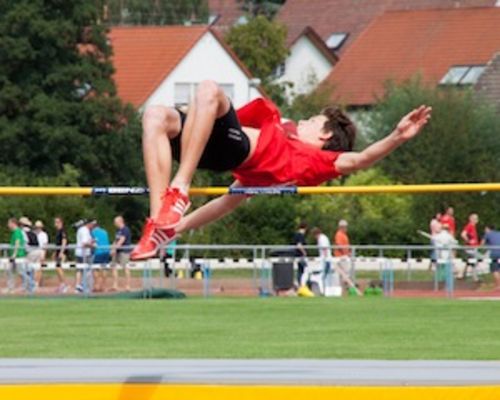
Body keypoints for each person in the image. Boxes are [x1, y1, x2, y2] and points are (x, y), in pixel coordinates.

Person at [130, 81, 432, 260]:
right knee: (154, 115)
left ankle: (180, 187)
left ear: (324, 136)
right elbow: (224, 203)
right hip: (202, 142)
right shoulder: (284, 128)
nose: (305, 120)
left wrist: (397, 136)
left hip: (232, 147)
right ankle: (158, 224)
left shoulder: (314, 161)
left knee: (209, 88)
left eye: (313, 120)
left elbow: (361, 159)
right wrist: (176, 229)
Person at [19, 217, 43, 291]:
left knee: (23, 269)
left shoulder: (23, 232)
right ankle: (29, 286)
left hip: (31, 252)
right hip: (38, 251)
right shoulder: (33, 232)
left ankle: (30, 284)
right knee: (31, 269)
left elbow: (25, 242)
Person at [110, 216, 132, 291]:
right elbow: (116, 240)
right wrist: (112, 248)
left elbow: (122, 240)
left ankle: (128, 286)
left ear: (120, 221)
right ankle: (115, 285)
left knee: (125, 267)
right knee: (113, 267)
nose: (114, 224)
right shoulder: (118, 231)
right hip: (117, 251)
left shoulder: (125, 229)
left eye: (115, 222)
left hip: (124, 251)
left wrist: (115, 249)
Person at [74, 219, 95, 293]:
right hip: (84, 253)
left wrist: (92, 241)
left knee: (79, 270)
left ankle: (78, 286)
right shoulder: (85, 230)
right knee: (87, 269)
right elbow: (84, 243)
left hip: (79, 252)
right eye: (92, 224)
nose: (93, 226)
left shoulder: (81, 229)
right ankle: (84, 286)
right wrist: (92, 245)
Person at [6, 218, 27, 292]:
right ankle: (10, 287)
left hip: (19, 256)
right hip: (14, 256)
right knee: (9, 270)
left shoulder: (17, 232)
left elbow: (17, 243)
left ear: (13, 223)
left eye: (9, 223)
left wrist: (14, 254)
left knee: (21, 272)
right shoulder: (14, 232)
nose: (8, 225)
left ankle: (25, 287)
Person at [91, 221, 111, 292]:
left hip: (98, 252)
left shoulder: (93, 232)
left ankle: (96, 285)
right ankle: (104, 286)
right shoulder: (105, 232)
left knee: (95, 269)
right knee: (104, 269)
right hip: (106, 252)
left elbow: (93, 242)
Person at [460, 213, 480, 281]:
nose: (476, 220)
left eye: (476, 219)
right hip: (470, 248)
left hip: (473, 247)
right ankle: (475, 278)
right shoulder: (469, 226)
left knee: (469, 262)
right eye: (475, 219)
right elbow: (463, 234)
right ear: (471, 219)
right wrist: (468, 241)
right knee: (474, 261)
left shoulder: (473, 227)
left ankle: (462, 275)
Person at [53, 217, 69, 293]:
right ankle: (61, 284)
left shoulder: (63, 231)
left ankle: (65, 284)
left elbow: (64, 241)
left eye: (57, 222)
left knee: (59, 268)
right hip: (58, 252)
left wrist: (61, 252)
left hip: (61, 253)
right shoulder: (58, 231)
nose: (55, 224)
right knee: (58, 268)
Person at [482, 225, 500, 290]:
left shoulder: (487, 234)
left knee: (495, 269)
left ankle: (498, 285)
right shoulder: (498, 233)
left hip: (495, 254)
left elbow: (482, 244)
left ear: (487, 229)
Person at [292, 222, 308, 286]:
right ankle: (301, 284)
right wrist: (304, 252)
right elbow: (299, 245)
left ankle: (299, 284)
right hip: (300, 256)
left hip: (297, 255)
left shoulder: (296, 235)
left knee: (300, 270)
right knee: (305, 269)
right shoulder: (300, 235)